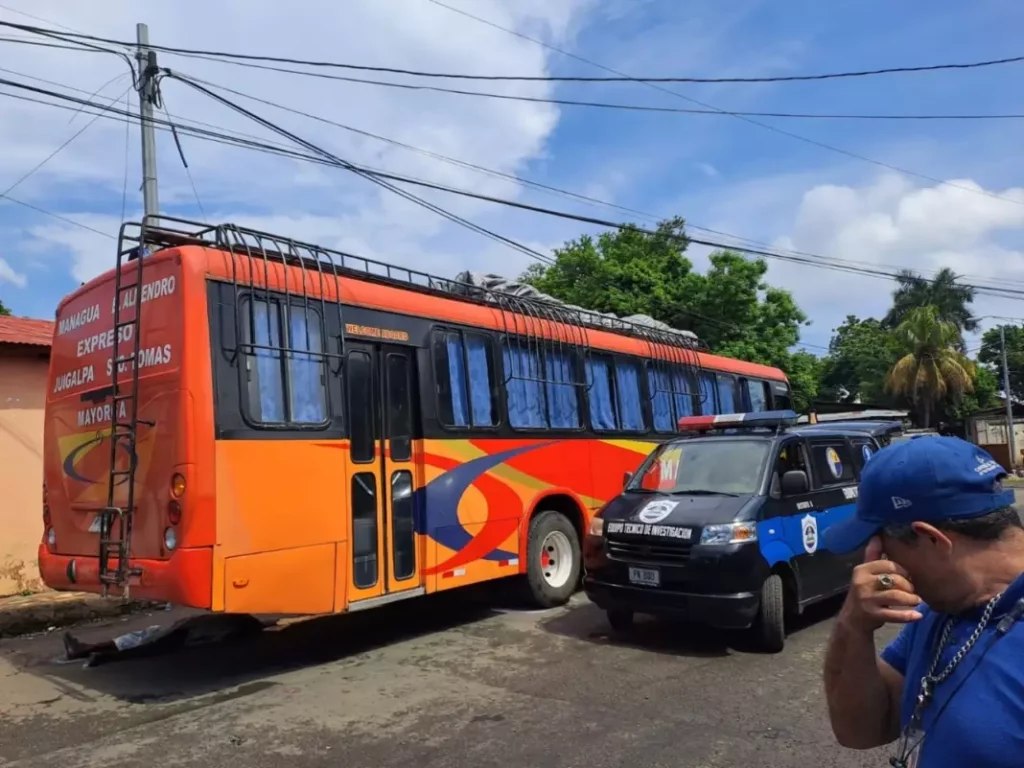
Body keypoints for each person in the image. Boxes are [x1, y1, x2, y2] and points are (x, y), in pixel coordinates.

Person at [821, 436, 1024, 767]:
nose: (877, 563)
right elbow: (861, 731)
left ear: (932, 538)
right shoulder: (939, 613)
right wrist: (852, 624)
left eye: (883, 548)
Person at [63, 613, 265, 667]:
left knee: (147, 644)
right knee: (146, 641)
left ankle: (99, 654)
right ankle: (94, 652)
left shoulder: (237, 622)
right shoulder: (239, 623)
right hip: (187, 631)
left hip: (187, 632)